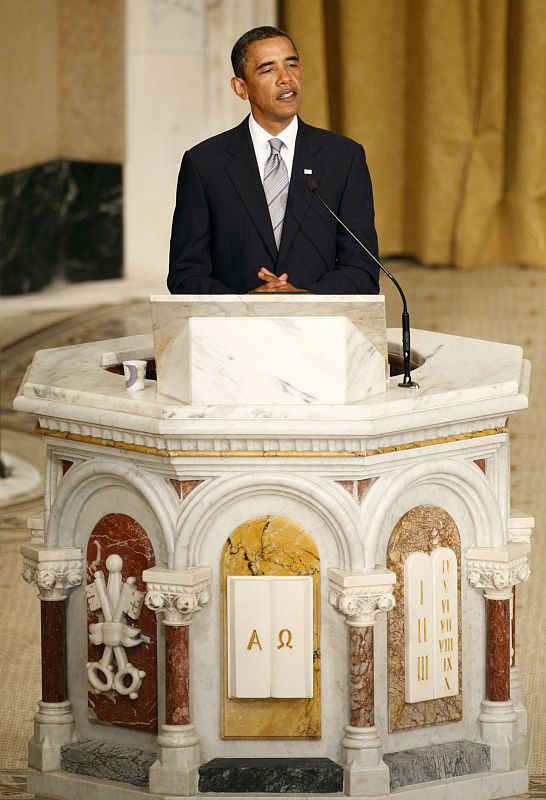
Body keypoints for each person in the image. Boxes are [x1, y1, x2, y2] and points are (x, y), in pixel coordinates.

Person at [168, 26, 379, 295]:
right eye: (268, 70)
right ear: (241, 88)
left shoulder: (343, 157)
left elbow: (363, 270)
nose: (286, 78)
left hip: (319, 328)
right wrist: (246, 304)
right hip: (235, 332)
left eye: (292, 64)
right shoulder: (204, 165)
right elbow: (185, 275)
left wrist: (304, 297)